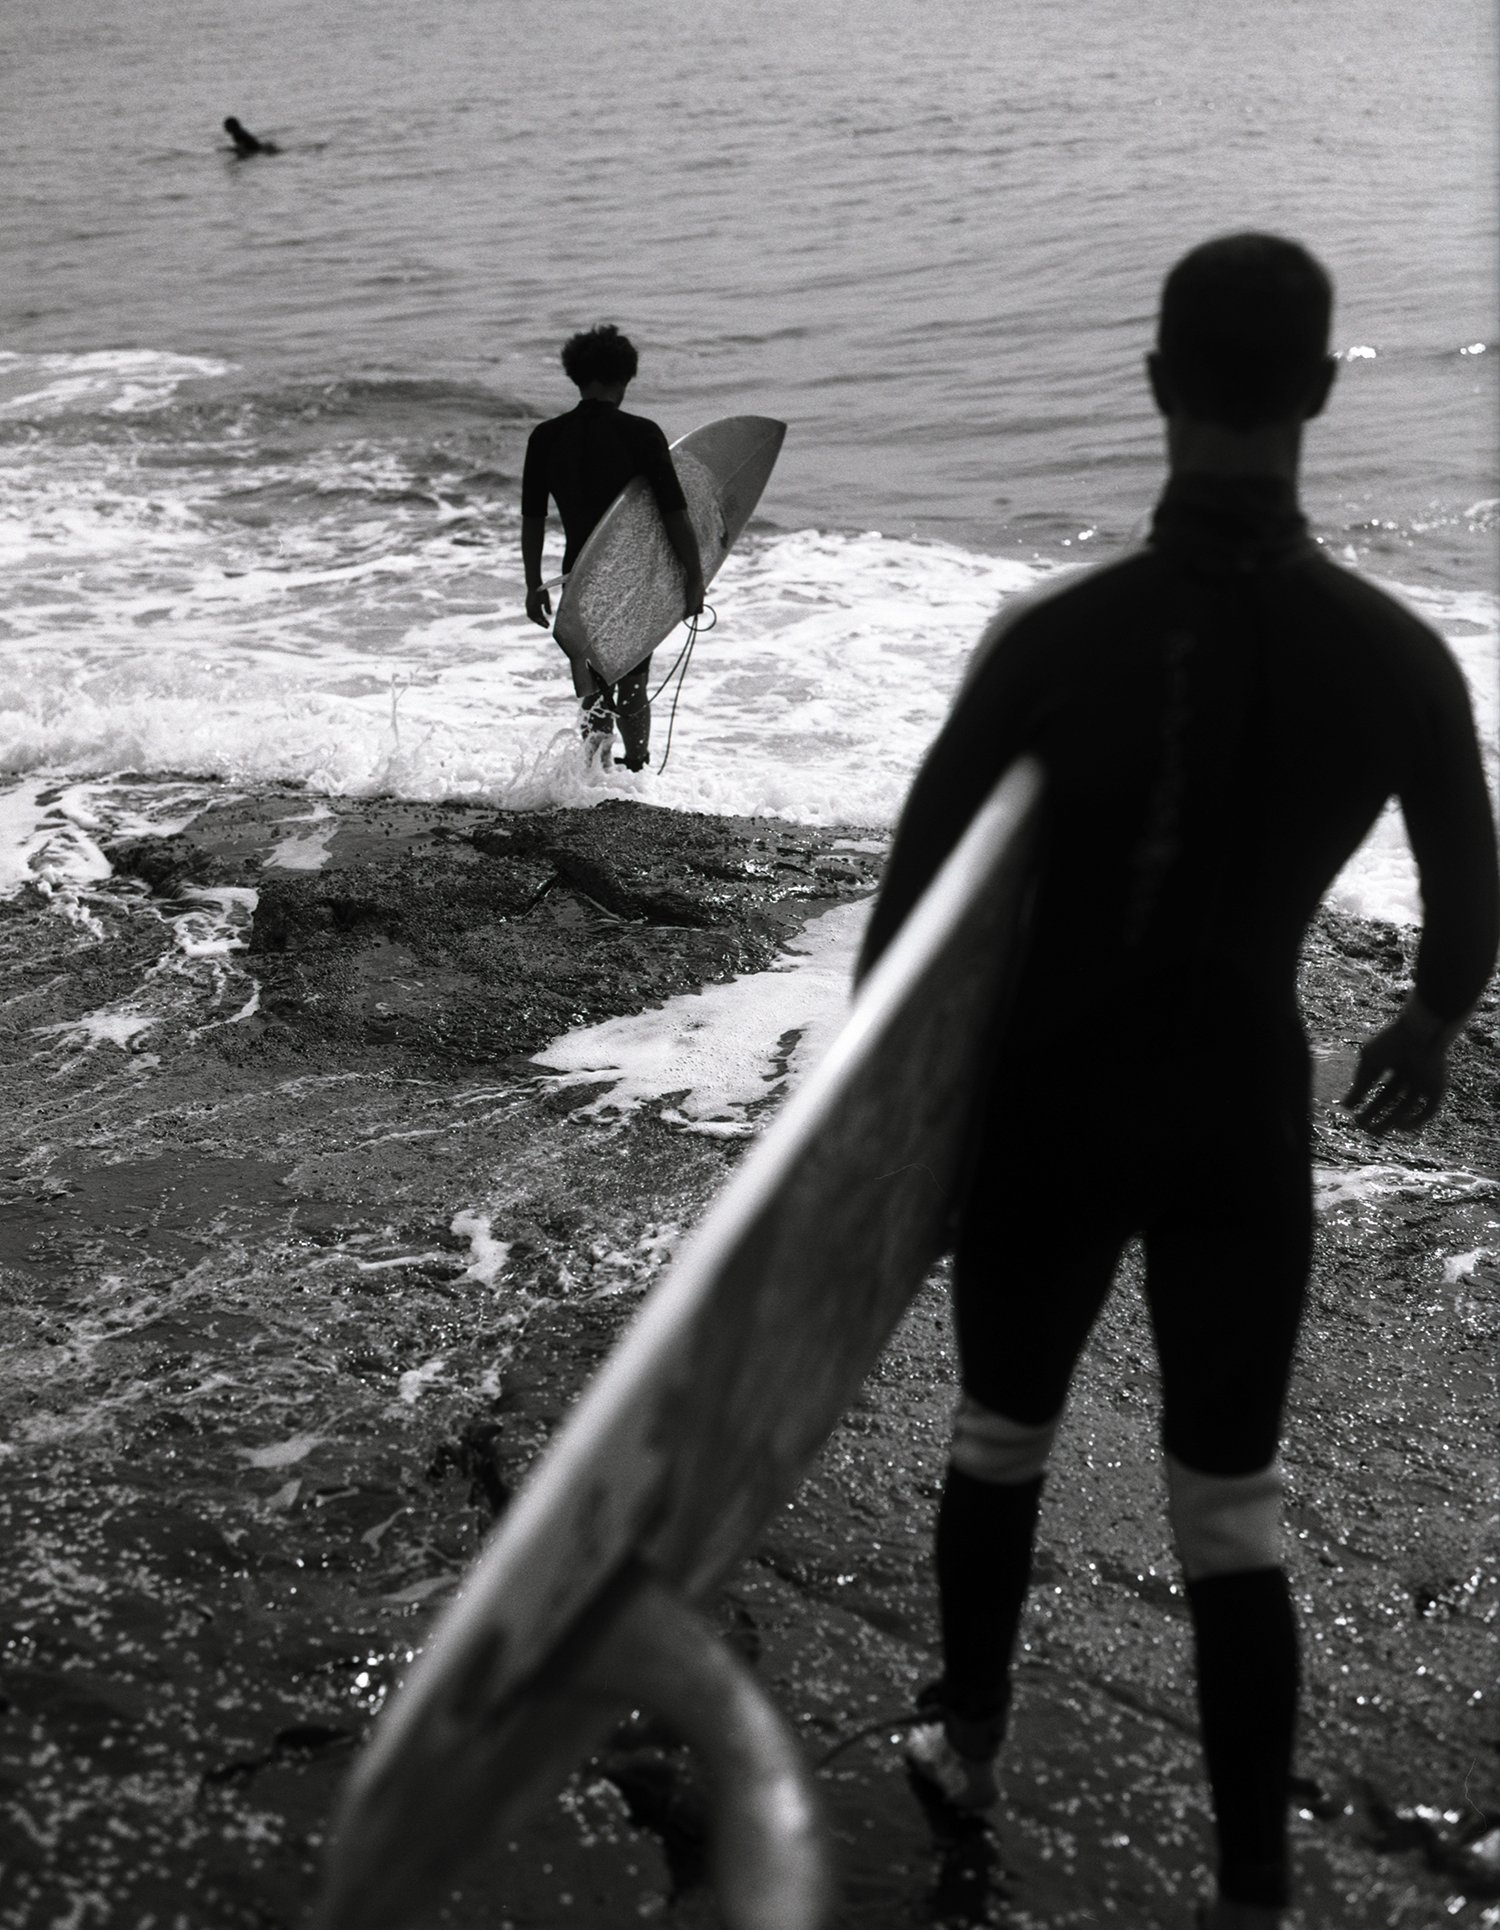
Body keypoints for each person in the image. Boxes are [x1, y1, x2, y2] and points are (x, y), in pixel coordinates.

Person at [856, 233, 1499, 1930]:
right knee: (1230, 1508)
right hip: (1241, 1111)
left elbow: (907, 926)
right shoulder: (1399, 657)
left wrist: (886, 1153)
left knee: (1000, 1441)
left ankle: (972, 1740)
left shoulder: (1052, 641)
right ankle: (1254, 1895)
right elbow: (1471, 891)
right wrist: (1426, 1026)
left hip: (1054, 1112)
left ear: (1155, 386)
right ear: (1317, 390)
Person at [521, 324, 705, 770]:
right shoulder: (641, 433)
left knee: (592, 684)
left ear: (576, 376)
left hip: (578, 576)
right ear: (625, 377)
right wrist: (694, 578)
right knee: (633, 683)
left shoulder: (545, 437)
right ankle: (637, 766)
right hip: (630, 577)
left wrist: (534, 585)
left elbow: (533, 519)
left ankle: (595, 771)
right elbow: (674, 513)